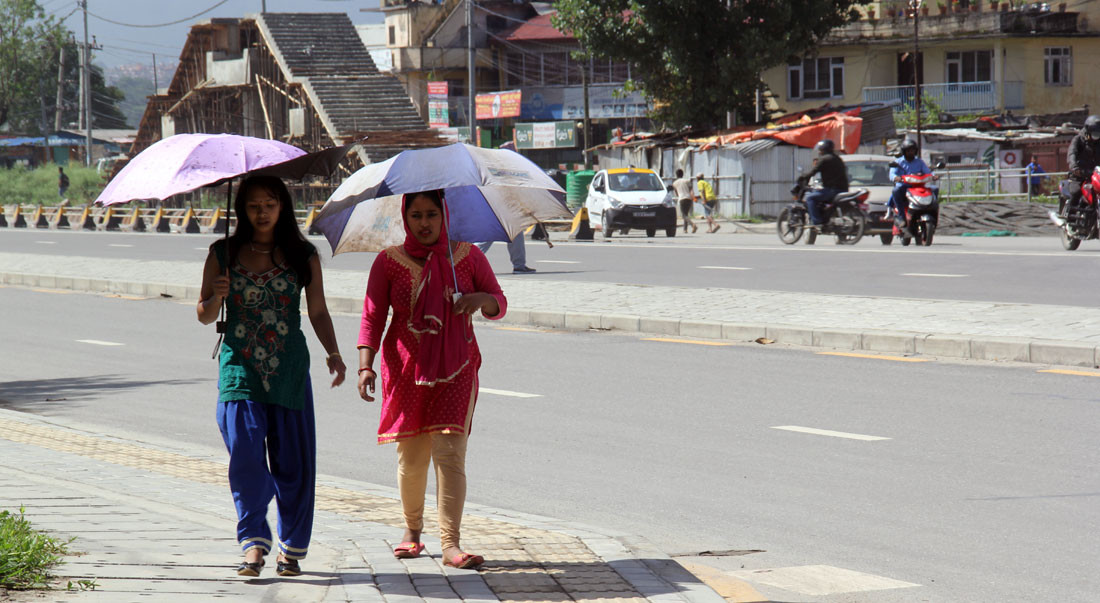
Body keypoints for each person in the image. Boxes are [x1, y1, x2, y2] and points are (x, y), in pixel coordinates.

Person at [197, 175, 347, 578]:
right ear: (241, 209)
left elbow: (317, 311)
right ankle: (253, 544)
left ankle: (291, 549)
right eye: (253, 205)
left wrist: (334, 353)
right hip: (239, 369)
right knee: (245, 458)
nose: (262, 212)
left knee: (293, 464)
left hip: (289, 370)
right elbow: (204, 314)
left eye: (270, 203)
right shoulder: (221, 253)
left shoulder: (303, 255)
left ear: (283, 206)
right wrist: (216, 294)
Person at [357, 190, 507, 570]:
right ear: (405, 219)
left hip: (457, 368)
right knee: (412, 456)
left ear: (445, 216)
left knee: (450, 454)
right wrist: (365, 365)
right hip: (405, 368)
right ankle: (411, 531)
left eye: (432, 215)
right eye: (417, 215)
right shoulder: (388, 262)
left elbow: (498, 303)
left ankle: (451, 544)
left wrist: (475, 300)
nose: (425, 223)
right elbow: (373, 316)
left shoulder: (468, 257)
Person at [887, 139, 934, 234]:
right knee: (896, 190)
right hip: (904, 187)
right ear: (904, 151)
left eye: (912, 150)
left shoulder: (919, 162)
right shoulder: (898, 162)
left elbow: (928, 172)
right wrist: (896, 178)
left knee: (934, 190)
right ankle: (901, 217)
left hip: (918, 187)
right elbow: (892, 174)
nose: (910, 152)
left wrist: (934, 176)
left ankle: (932, 213)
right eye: (908, 150)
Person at [802, 139, 848, 229]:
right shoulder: (837, 158)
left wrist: (803, 177)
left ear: (823, 149)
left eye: (820, 149)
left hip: (832, 190)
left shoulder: (824, 159)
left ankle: (817, 222)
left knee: (810, 198)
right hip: (843, 189)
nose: (819, 151)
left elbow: (813, 171)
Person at [1064, 115, 1100, 215]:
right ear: (1088, 131)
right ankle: (1069, 217)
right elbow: (1072, 154)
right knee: (1076, 192)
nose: (1097, 136)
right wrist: (1074, 167)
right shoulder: (1078, 140)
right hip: (1080, 175)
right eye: (1095, 133)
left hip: (1095, 175)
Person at [672, 169, 697, 233]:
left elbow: (677, 193)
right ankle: (685, 229)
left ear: (676, 175)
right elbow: (691, 190)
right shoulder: (687, 181)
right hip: (689, 198)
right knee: (686, 214)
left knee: (683, 215)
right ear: (682, 174)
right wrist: (693, 197)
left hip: (682, 198)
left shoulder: (674, 183)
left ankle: (692, 224)